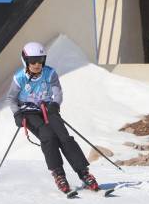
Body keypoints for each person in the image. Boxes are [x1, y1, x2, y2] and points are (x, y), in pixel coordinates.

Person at [6, 42, 99, 194]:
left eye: (41, 60)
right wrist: (17, 113)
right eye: (33, 61)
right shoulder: (19, 77)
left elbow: (58, 92)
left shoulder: (50, 73)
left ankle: (84, 173)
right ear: (25, 60)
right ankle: (59, 175)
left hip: (48, 108)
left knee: (64, 137)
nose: (37, 64)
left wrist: (55, 104)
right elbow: (11, 98)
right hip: (28, 112)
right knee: (48, 136)